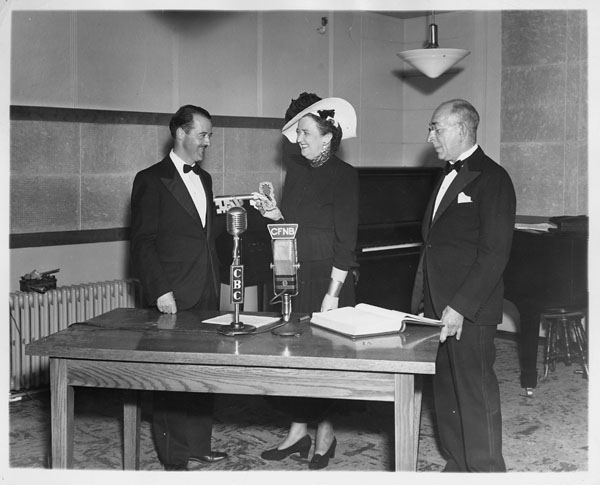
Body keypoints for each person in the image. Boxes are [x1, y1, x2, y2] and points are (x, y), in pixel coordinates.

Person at [252, 94, 359, 470]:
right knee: (293, 358)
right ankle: (299, 431)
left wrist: (333, 294)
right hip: (294, 274)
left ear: (328, 137)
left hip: (328, 280)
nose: (299, 139)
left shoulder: (346, 176)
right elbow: (292, 224)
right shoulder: (296, 170)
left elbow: (346, 243)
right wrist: (273, 212)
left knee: (326, 361)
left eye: (307, 133)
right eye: (298, 133)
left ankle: (326, 435)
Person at [411, 99, 516, 472]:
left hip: (469, 309)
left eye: (435, 128)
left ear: (461, 129)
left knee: (475, 395)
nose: (430, 136)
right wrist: (424, 303)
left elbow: (494, 254)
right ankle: (457, 465)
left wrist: (459, 307)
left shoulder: (494, 178)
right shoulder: (442, 175)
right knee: (446, 394)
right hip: (437, 307)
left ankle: (487, 471)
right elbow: (435, 245)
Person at [130, 104, 228, 471]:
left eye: (210, 135)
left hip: (206, 290)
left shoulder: (204, 179)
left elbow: (205, 235)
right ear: (181, 134)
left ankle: (200, 446)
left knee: (203, 373)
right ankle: (174, 457)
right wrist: (159, 290)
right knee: (171, 377)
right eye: (203, 134)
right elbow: (142, 241)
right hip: (171, 293)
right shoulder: (150, 179)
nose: (208, 142)